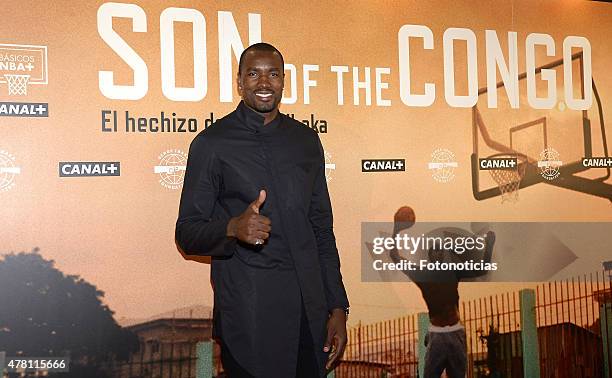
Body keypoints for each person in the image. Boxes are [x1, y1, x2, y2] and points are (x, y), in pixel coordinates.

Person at [175, 42, 349, 378]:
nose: (264, 83)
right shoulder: (212, 144)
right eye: (253, 74)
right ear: (239, 82)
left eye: (272, 74)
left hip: (308, 317)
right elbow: (187, 232)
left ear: (284, 81)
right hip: (250, 318)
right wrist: (231, 228)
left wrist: (337, 306)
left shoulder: (306, 141)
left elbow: (322, 230)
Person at [390, 207, 496, 378]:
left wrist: (489, 245)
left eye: (440, 250)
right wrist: (396, 229)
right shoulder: (422, 274)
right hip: (437, 334)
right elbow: (394, 256)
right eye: (434, 250)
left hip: (456, 331)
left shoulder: (452, 272)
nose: (438, 253)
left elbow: (482, 268)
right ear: (429, 256)